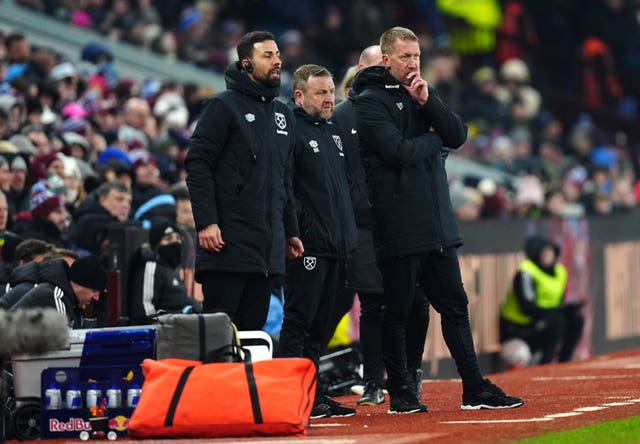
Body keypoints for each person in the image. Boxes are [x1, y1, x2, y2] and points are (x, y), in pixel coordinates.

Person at [354, 26, 524, 413]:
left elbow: (458, 134)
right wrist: (434, 140)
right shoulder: (369, 101)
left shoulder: (421, 94)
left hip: (438, 225)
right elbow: (398, 152)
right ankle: (400, 393)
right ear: (386, 60)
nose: (412, 63)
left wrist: (428, 103)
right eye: (404, 57)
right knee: (397, 312)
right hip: (397, 225)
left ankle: (474, 388)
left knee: (455, 306)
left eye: (416, 56)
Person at [332, 45, 430, 406]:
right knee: (374, 303)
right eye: (380, 67)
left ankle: (410, 373)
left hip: (405, 222)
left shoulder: (404, 109)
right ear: (362, 71)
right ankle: (374, 380)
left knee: (417, 303)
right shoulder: (341, 117)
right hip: (363, 225)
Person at [185, 31, 303, 330]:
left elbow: (283, 178)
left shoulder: (283, 114)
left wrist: (290, 231)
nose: (278, 61)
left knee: (252, 341)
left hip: (265, 255)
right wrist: (206, 222)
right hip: (226, 248)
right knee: (219, 341)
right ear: (247, 65)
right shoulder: (222, 106)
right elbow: (198, 164)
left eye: (278, 54)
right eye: (268, 55)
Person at [277, 64, 358, 419]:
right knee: (300, 322)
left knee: (322, 324)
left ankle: (311, 393)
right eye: (320, 93)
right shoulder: (291, 129)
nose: (329, 99)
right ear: (299, 95)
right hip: (308, 246)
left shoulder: (332, 131)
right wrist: (300, 230)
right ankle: (287, 396)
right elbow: (286, 187)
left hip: (337, 245)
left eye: (331, 92)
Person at [500, 235, 585, 365]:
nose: (549, 256)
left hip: (546, 318)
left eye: (551, 253)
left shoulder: (560, 271)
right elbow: (527, 307)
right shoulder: (527, 271)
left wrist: (566, 309)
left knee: (576, 318)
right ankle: (545, 364)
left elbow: (558, 300)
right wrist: (557, 312)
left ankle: (565, 362)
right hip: (519, 325)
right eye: (545, 253)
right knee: (557, 321)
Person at [128, 220, 200, 325]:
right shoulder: (152, 267)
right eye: (168, 239)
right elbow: (145, 314)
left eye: (178, 238)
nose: (175, 243)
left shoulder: (173, 271)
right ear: (157, 245)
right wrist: (182, 315)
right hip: (165, 334)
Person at [11, 254, 107, 329]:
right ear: (77, 284)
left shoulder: (71, 300)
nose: (97, 298)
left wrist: (101, 312)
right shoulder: (55, 296)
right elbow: (65, 344)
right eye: (94, 290)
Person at [70, 180, 132, 256]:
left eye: (129, 201)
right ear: (103, 200)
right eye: (119, 199)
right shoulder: (86, 221)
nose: (126, 205)